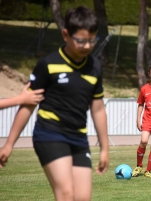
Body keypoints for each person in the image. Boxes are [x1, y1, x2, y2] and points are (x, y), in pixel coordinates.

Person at [0, 6, 109, 201]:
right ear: (66, 35)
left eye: (92, 40)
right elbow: (28, 104)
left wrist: (105, 148)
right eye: (81, 41)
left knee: (82, 198)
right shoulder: (48, 64)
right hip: (50, 134)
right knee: (66, 194)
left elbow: (98, 109)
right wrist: (9, 144)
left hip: (78, 138)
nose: (87, 46)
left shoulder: (95, 67)